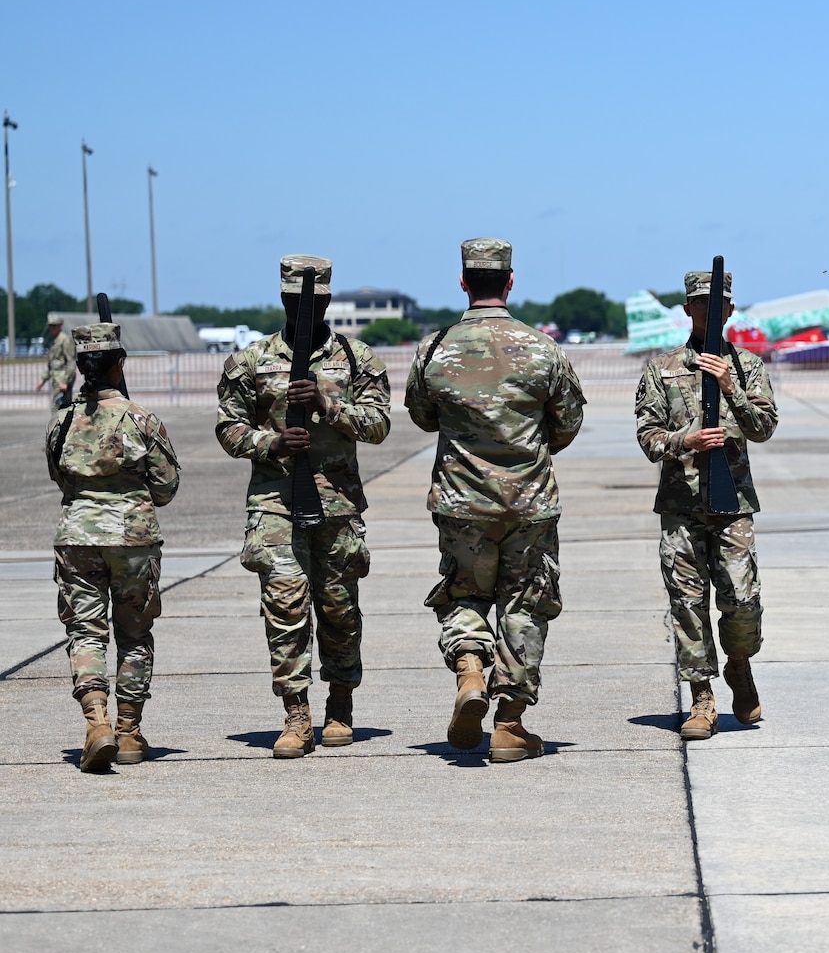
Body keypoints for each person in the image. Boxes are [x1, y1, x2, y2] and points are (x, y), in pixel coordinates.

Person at [405, 238, 586, 763]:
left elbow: (422, 416)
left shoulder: (435, 349)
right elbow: (567, 423)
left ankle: (469, 672)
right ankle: (509, 724)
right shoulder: (543, 348)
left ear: (464, 282)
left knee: (465, 594)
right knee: (524, 603)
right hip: (529, 503)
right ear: (510, 281)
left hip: (462, 502)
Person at [215, 256, 392, 757]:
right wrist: (268, 443)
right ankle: (296, 713)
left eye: (311, 302)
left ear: (328, 302)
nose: (303, 310)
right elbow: (228, 428)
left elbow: (379, 426)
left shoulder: (357, 359)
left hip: (337, 504)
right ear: (282, 301)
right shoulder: (251, 361)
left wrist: (325, 404)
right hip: (275, 501)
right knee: (286, 606)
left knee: (339, 609)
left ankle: (340, 704)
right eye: (294, 302)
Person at [636, 268, 779, 740]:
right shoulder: (663, 368)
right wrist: (686, 440)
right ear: (687, 310)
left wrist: (731, 386)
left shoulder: (749, 366)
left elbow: (764, 427)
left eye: (717, 305)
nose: (709, 312)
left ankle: (739, 665)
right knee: (688, 604)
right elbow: (647, 435)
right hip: (681, 505)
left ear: (731, 311)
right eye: (700, 304)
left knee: (742, 600)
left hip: (732, 503)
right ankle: (701, 697)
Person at [45, 322, 179, 772]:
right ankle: (128, 731)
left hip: (78, 536)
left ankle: (96, 721)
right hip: (132, 539)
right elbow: (165, 487)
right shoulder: (141, 419)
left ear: (82, 368)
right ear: (120, 364)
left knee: (86, 633)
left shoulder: (62, 422)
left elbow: (60, 478)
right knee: (134, 635)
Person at [38, 318, 77, 408]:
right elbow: (52, 364)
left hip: (62, 380)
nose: (52, 329)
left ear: (60, 326)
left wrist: (65, 382)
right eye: (51, 326)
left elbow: (71, 362)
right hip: (57, 380)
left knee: (58, 409)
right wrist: (42, 380)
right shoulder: (55, 341)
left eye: (54, 326)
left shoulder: (65, 340)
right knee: (58, 408)